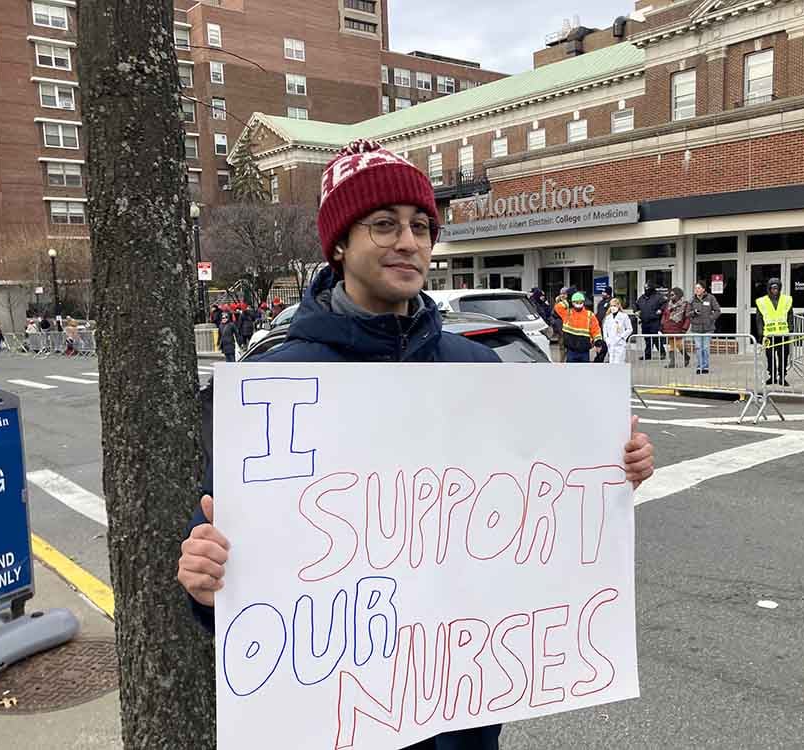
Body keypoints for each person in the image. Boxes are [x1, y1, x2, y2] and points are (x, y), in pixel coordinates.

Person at [176, 139, 656, 750]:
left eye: (421, 226)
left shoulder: (478, 366)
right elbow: (228, 566)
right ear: (340, 244)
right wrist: (204, 582)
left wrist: (615, 467)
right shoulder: (279, 381)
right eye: (383, 224)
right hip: (338, 720)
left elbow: (533, 506)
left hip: (460, 718)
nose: (409, 241)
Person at [756, 277, 793, 386]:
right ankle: (772, 377)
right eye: (772, 288)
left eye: (776, 288)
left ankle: (782, 377)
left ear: (780, 288)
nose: (775, 290)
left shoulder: (786, 300)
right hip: (769, 335)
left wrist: (791, 329)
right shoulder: (762, 301)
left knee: (783, 357)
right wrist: (760, 332)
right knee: (770, 357)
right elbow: (759, 318)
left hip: (783, 334)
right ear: (769, 289)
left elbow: (790, 315)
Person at [554, 291, 603, 363]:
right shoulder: (568, 313)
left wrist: (598, 343)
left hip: (584, 351)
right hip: (571, 350)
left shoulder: (589, 315)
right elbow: (557, 307)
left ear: (583, 302)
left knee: (584, 372)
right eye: (576, 302)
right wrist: (568, 300)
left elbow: (596, 329)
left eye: (580, 302)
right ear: (572, 303)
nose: (579, 304)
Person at [689, 281, 721, 375]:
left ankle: (705, 366)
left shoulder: (710, 298)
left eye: (698, 288)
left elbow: (717, 311)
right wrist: (693, 313)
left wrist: (710, 319)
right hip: (696, 328)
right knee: (698, 348)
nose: (696, 290)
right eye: (695, 288)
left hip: (708, 328)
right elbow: (687, 313)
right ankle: (700, 366)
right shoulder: (692, 300)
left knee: (705, 348)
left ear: (703, 289)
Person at [635, 283, 666, 361]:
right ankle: (647, 354)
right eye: (645, 288)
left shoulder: (658, 296)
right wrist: (636, 311)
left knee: (656, 338)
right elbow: (636, 305)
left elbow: (665, 304)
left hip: (654, 321)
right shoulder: (642, 297)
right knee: (647, 339)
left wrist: (661, 310)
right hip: (645, 321)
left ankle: (662, 353)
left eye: (648, 288)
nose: (646, 289)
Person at [661, 288, 691, 369]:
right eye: (670, 295)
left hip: (678, 327)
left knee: (678, 344)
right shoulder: (668, 304)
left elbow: (688, 318)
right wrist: (662, 324)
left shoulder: (685, 304)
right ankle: (672, 362)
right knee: (671, 345)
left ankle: (686, 357)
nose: (671, 297)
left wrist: (684, 328)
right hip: (668, 327)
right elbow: (665, 314)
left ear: (678, 296)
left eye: (672, 295)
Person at [601, 296, 632, 365]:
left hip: (620, 344)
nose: (613, 307)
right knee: (611, 362)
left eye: (614, 305)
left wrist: (621, 337)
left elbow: (630, 329)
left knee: (619, 363)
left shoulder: (624, 316)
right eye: (611, 306)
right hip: (611, 344)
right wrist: (606, 339)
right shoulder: (608, 317)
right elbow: (604, 329)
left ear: (618, 306)